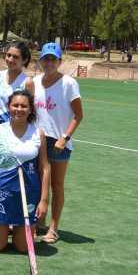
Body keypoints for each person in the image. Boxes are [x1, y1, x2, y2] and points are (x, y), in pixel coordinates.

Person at [0, 89, 50, 252]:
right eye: (15, 105)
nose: (19, 109)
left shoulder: (38, 133)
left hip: (28, 192)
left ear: (30, 109)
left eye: (23, 106)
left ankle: (16, 229)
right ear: (9, 106)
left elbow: (45, 167)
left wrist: (44, 200)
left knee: (23, 247)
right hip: (1, 191)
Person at [33, 42, 83, 244]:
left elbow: (78, 115)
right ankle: (39, 223)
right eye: (46, 59)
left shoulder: (69, 84)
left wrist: (65, 137)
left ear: (60, 61)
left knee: (56, 185)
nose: (49, 63)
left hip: (58, 143)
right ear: (40, 61)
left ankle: (53, 228)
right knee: (38, 183)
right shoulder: (34, 82)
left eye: (53, 59)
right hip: (37, 141)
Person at [0, 42, 35, 128]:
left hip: (14, 127)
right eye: (8, 55)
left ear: (24, 60)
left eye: (15, 57)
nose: (10, 59)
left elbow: (30, 109)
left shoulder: (27, 82)